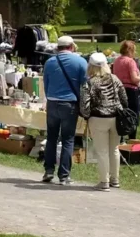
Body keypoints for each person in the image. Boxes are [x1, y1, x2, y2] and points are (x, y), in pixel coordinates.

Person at [41, 36, 88, 186]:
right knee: (68, 139)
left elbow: (46, 84)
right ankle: (64, 175)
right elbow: (85, 84)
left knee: (52, 137)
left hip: (53, 102)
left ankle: (48, 170)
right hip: (70, 103)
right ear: (71, 46)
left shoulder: (49, 62)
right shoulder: (80, 62)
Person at [81, 52, 128, 191]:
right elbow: (124, 98)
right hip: (116, 117)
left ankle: (104, 181)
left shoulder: (89, 82)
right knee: (114, 149)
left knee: (102, 151)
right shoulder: (114, 78)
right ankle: (115, 179)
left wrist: (86, 116)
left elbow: (84, 104)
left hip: (98, 118)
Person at [112, 40, 140, 135]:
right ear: (130, 50)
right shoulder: (130, 61)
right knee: (132, 115)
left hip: (119, 89)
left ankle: (121, 136)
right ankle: (132, 137)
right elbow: (134, 79)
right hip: (131, 90)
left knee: (121, 114)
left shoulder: (117, 60)